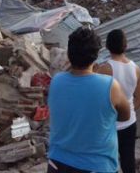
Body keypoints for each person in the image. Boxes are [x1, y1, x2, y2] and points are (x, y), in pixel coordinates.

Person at [47, 27, 131, 173]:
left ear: (68, 53)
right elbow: (125, 115)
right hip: (96, 166)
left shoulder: (56, 81)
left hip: (57, 164)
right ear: (96, 55)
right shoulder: (109, 85)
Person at [96, 29, 140, 173]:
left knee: (106, 161)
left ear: (108, 46)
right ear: (126, 46)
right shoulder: (135, 69)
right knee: (128, 159)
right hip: (129, 123)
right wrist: (128, 110)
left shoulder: (105, 69)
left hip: (108, 125)